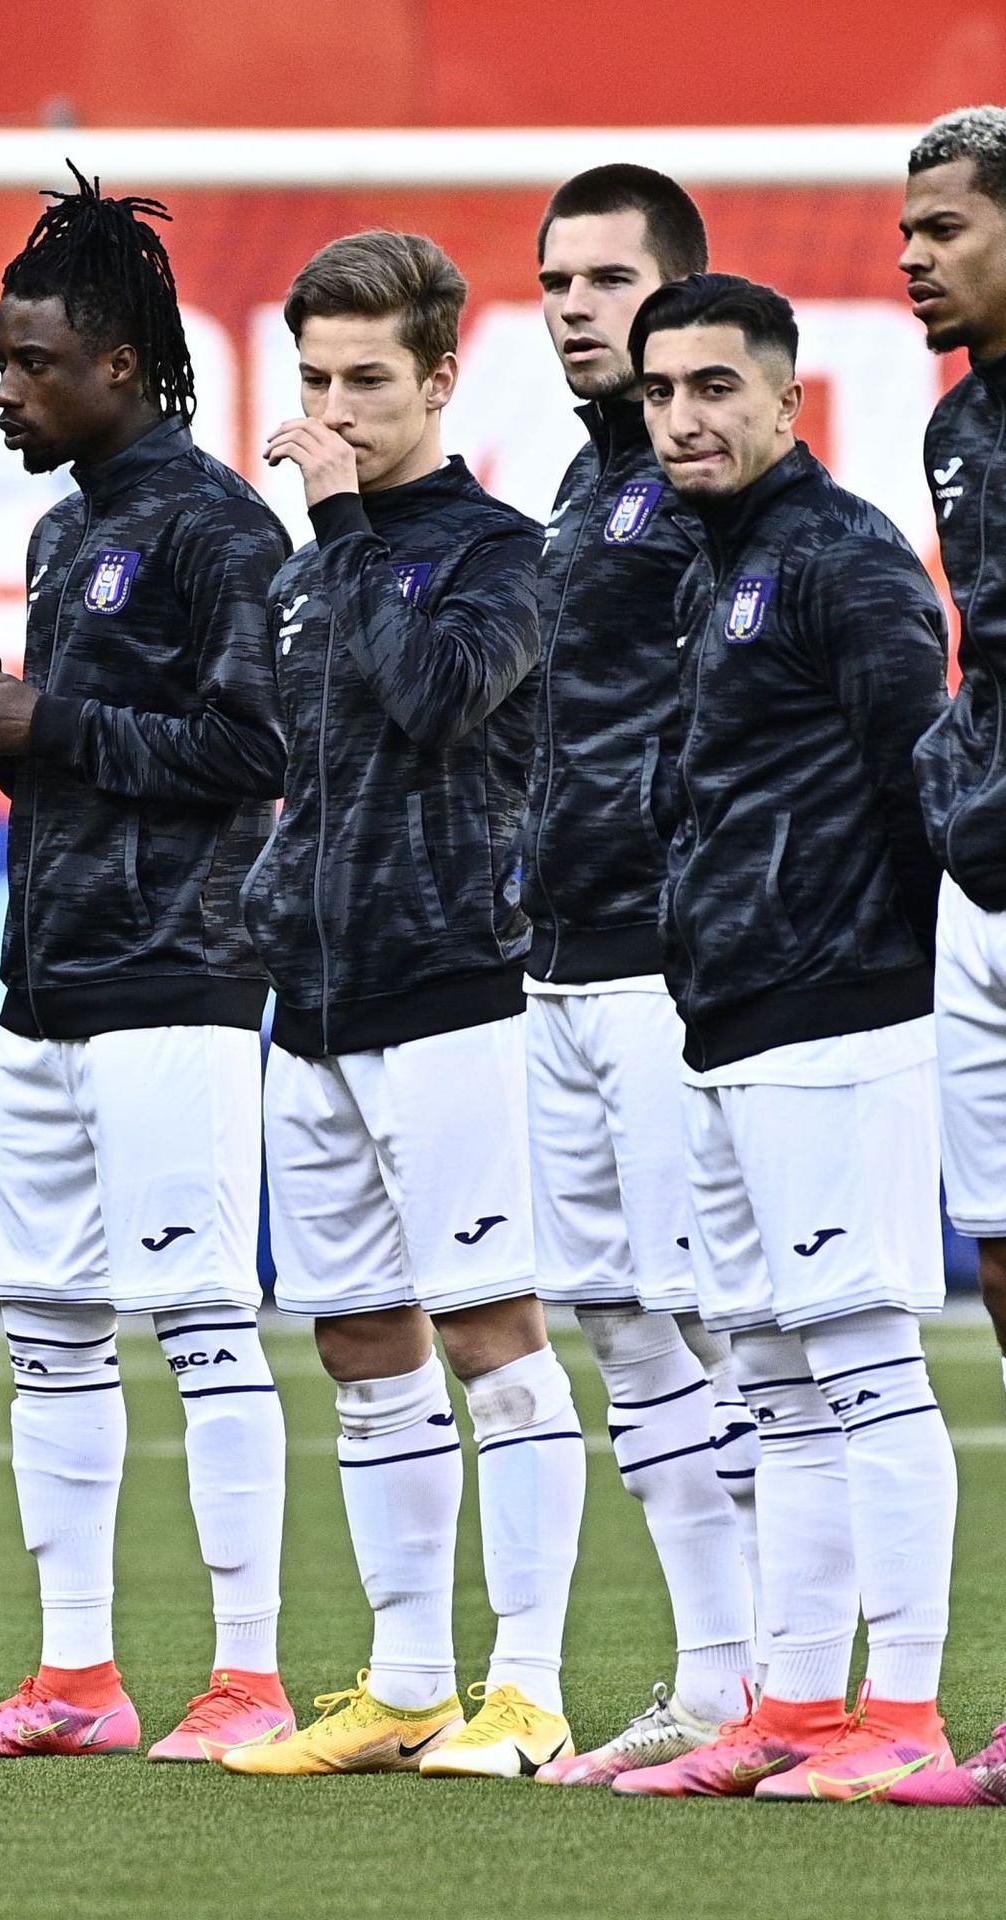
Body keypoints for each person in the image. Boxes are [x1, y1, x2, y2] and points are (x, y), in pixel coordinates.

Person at [0, 170, 293, 1764]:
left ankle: (249, 1678)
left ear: (125, 365)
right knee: (51, 1331)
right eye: (0, 360)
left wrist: (47, 727)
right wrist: (24, 741)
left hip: (183, 979)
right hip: (55, 986)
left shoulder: (221, 527)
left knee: (202, 1323)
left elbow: (258, 749)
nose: (8, 389)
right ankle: (76, 1679)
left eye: (37, 362)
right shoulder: (64, 530)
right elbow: (102, 765)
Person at [221, 230, 584, 1782]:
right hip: (308, 997)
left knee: (493, 1329)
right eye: (313, 379)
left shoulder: (505, 552)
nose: (335, 409)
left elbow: (438, 696)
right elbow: (278, 767)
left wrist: (348, 519)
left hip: (454, 988)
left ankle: (532, 1687)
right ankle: (408, 1681)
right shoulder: (311, 571)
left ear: (441, 375)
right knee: (362, 1344)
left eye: (368, 379)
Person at [609, 274, 958, 1802]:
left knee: (867, 1363)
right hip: (726, 1019)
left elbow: (920, 788)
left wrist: (894, 981)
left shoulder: (845, 557)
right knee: (769, 1371)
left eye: (712, 388)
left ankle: (911, 1711)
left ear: (784, 397)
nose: (684, 417)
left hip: (844, 1014)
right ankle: (800, 1707)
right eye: (661, 393)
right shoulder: (712, 564)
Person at [523, 166, 764, 1787]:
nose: (574, 306)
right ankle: (715, 1679)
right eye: (553, 281)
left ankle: (816, 1687)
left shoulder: (707, 491)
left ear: (676, 289)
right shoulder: (576, 482)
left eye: (607, 279)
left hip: (679, 966)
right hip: (559, 959)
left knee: (736, 1327)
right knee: (618, 1320)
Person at [884, 102, 1006, 1811]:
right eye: (905, 234)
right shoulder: (959, 425)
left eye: (946, 230)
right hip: (982, 890)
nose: (912, 258)